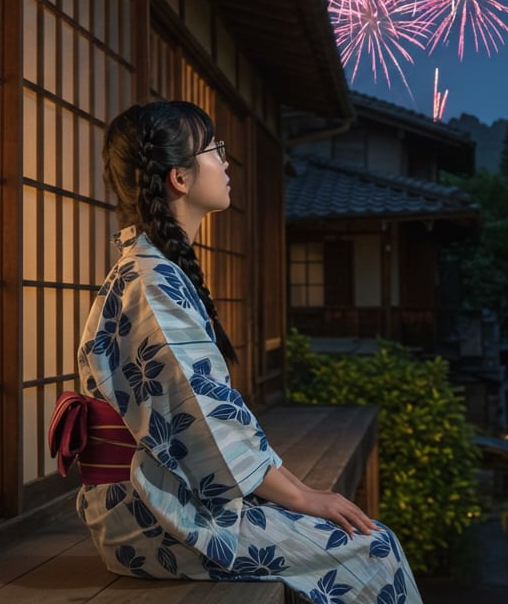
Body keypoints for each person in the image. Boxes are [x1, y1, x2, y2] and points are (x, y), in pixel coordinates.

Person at [62, 100, 422, 601]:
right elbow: (205, 420)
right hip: (154, 517)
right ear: (180, 179)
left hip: (168, 496)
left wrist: (298, 492)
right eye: (215, 150)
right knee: (374, 548)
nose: (225, 163)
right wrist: (302, 496)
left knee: (358, 537)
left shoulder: (156, 272)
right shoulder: (151, 282)